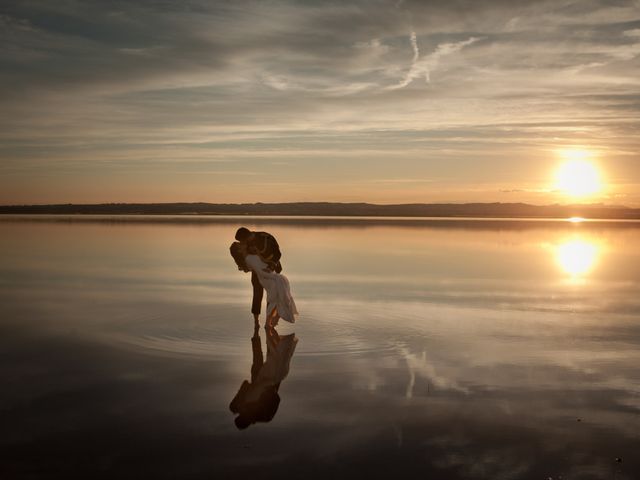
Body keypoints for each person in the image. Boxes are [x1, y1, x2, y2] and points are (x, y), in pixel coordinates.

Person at [229, 324, 298, 429]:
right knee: (274, 355)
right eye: (245, 415)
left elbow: (245, 384)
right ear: (250, 420)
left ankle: (258, 335)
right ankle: (267, 336)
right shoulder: (265, 416)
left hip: (258, 381)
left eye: (242, 413)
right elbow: (277, 399)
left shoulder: (239, 406)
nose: (245, 412)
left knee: (258, 357)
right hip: (272, 383)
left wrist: (242, 399)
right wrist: (268, 389)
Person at [230, 241, 298, 326]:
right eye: (239, 244)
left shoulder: (252, 246)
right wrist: (264, 272)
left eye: (240, 243)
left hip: (268, 271)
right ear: (239, 250)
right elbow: (254, 266)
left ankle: (268, 320)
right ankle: (261, 321)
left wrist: (265, 265)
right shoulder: (248, 253)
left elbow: (268, 256)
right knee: (263, 295)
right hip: (262, 274)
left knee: (273, 295)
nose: (241, 243)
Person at [234, 227, 283, 324]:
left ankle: (268, 321)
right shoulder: (246, 243)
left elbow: (278, 253)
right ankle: (256, 321)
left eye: (242, 241)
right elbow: (246, 258)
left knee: (271, 295)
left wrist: (270, 267)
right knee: (257, 294)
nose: (242, 243)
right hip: (257, 270)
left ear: (247, 236)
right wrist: (244, 266)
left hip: (271, 269)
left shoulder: (265, 238)